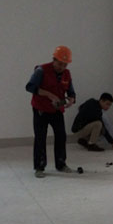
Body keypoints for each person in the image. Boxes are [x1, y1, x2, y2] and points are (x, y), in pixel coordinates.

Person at [25, 45, 76, 178]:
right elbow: (30, 87)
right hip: (40, 109)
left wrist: (71, 99)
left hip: (57, 110)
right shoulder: (41, 70)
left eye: (64, 65)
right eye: (59, 63)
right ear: (54, 60)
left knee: (61, 136)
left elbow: (71, 92)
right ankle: (39, 167)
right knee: (40, 137)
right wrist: (48, 94)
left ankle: (61, 164)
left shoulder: (67, 74)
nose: (61, 67)